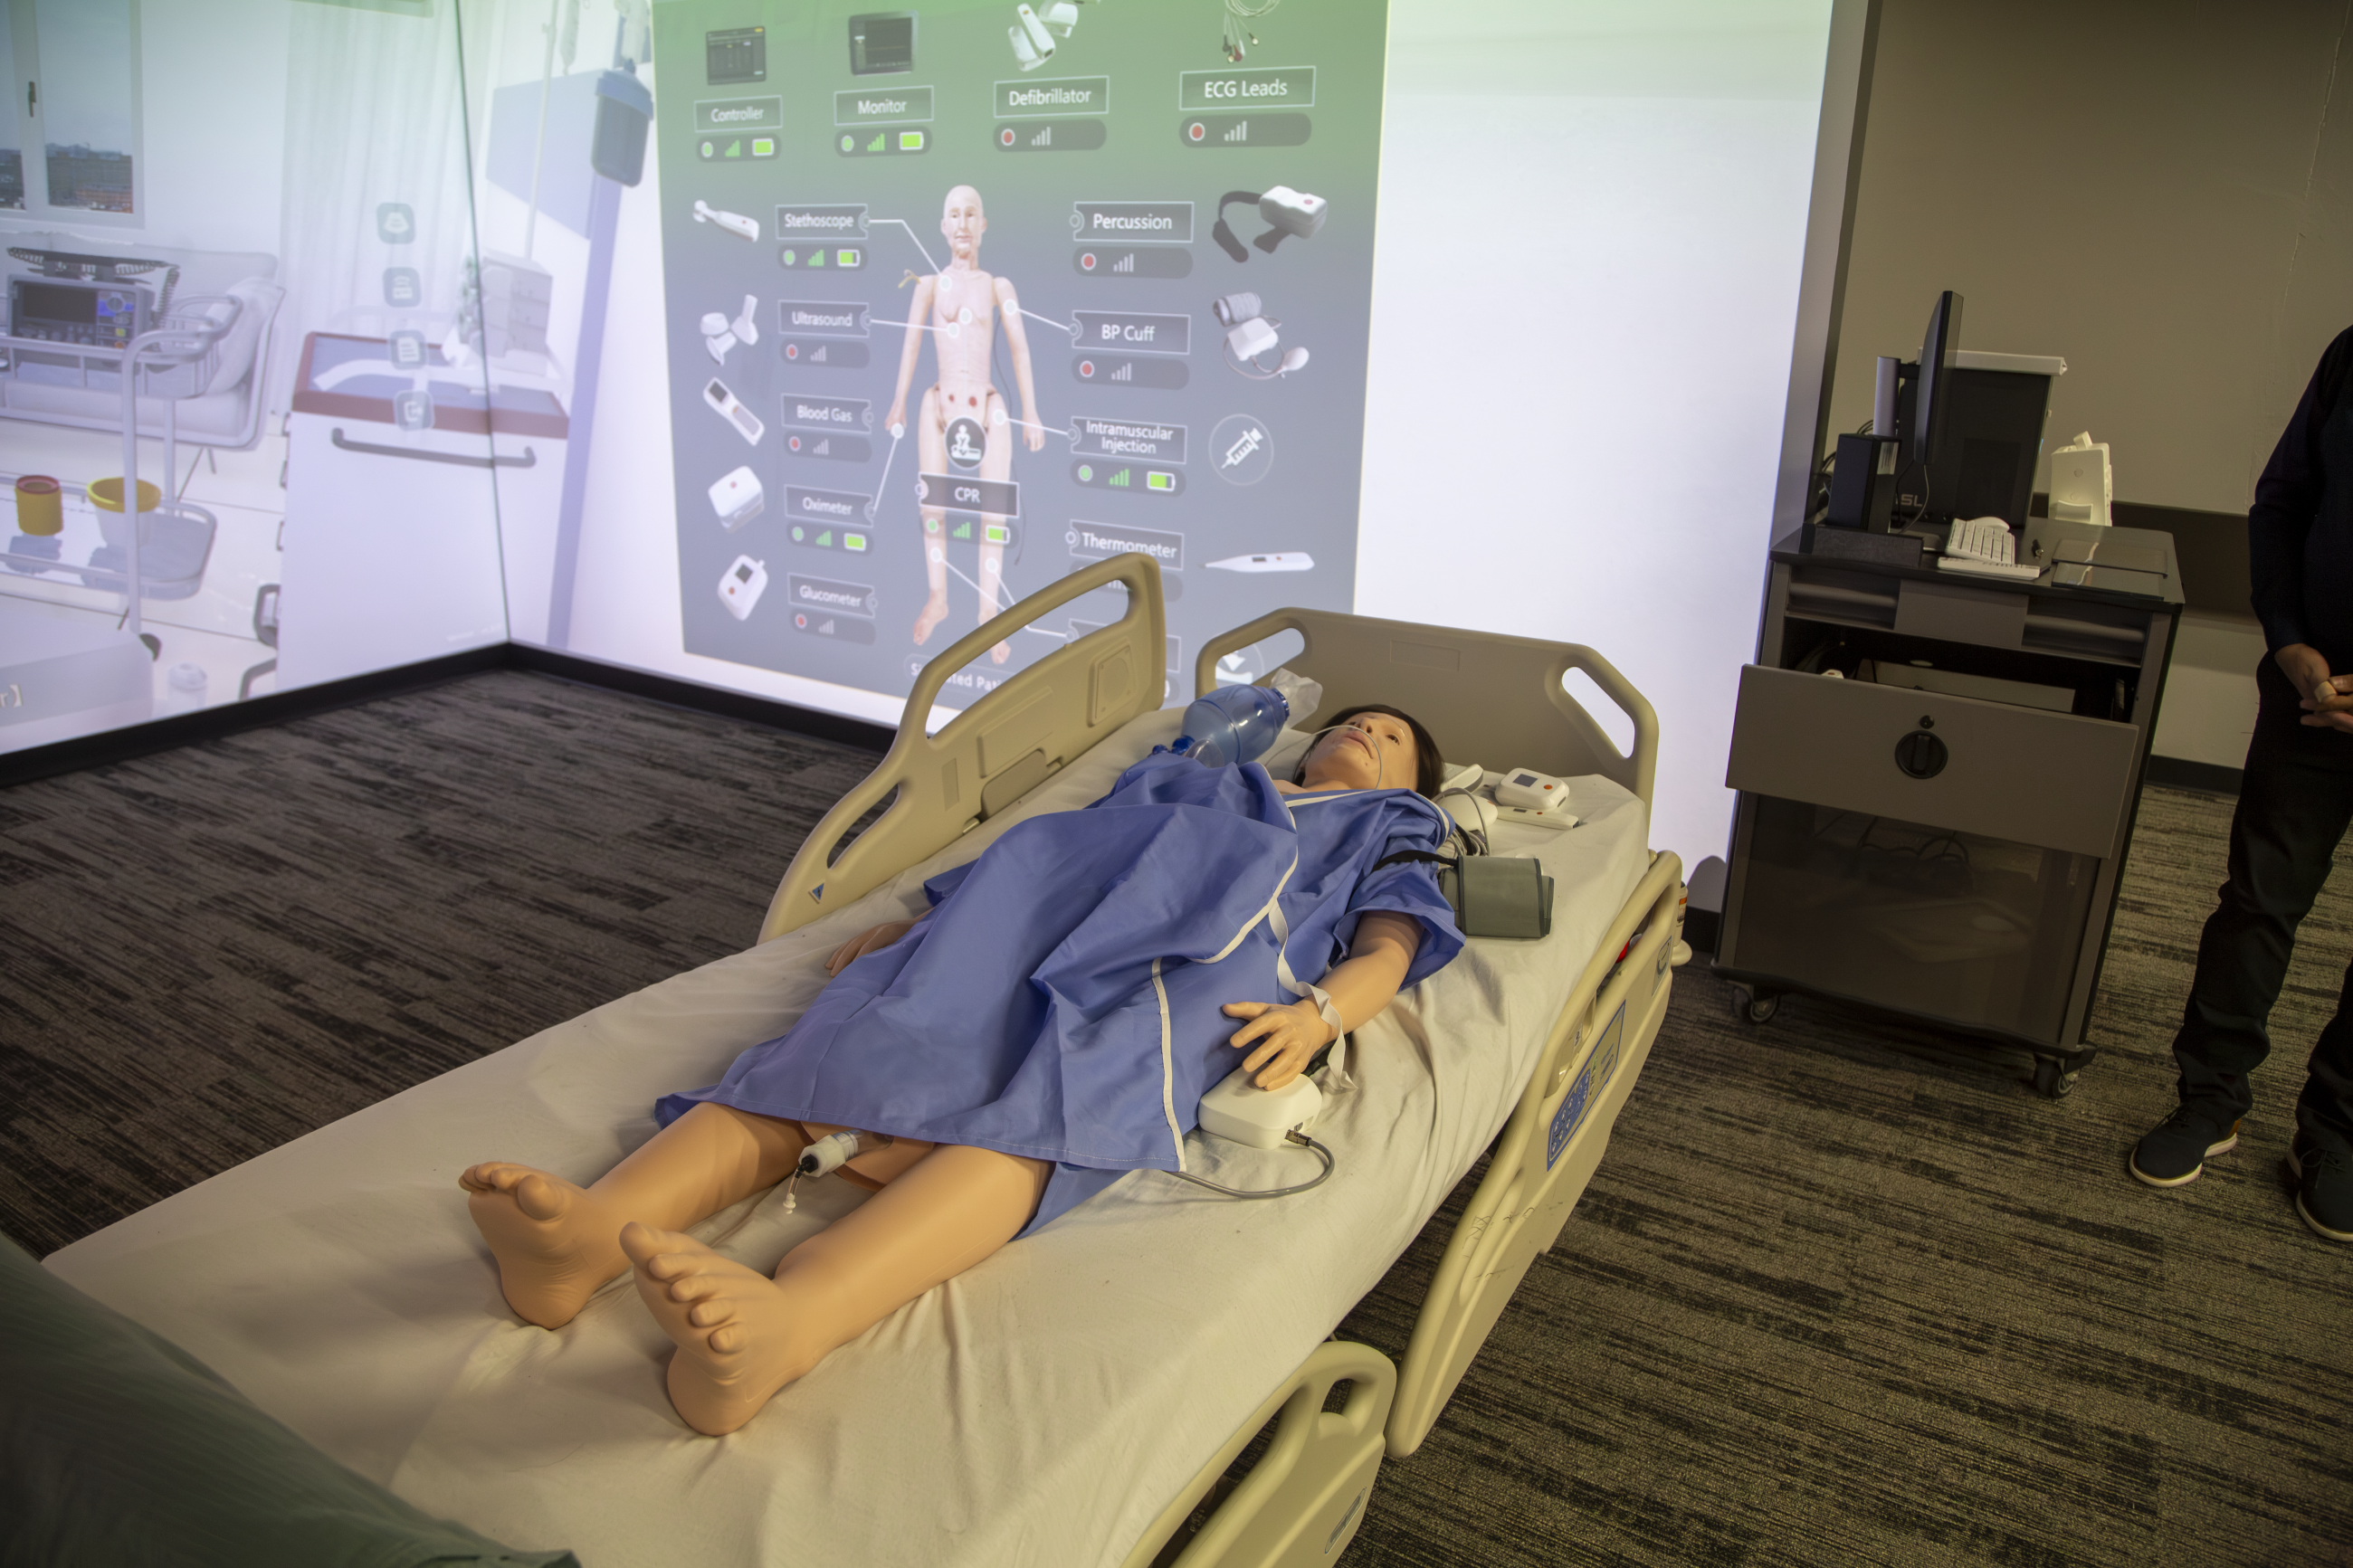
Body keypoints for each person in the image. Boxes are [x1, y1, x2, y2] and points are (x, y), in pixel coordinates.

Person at [460, 706, 1462, 1433]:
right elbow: (1045, 849)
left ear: (1410, 781)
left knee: (1053, 1106)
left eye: (1390, 737)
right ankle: (588, 1235)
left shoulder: (1390, 828)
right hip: (1020, 919)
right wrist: (929, 916)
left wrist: (1316, 1013)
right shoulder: (1191, 767)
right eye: (1355, 718)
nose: (1364, 732)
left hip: (1188, 971)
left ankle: (794, 1319)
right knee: (860, 1034)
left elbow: (1386, 947)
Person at [2130, 325, 2353, 1244]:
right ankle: (2208, 1096)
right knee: (2256, 902)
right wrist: (2287, 639)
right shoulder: (2351, 355)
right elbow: (2281, 502)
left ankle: (2333, 1133)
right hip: (2308, 687)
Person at [885, 185, 1046, 663]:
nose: (961, 222)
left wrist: (1031, 412)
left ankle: (987, 610)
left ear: (982, 225)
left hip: (986, 409)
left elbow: (1020, 348)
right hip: (938, 405)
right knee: (933, 506)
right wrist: (899, 401)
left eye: (970, 213)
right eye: (953, 213)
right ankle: (939, 596)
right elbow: (911, 343)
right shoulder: (927, 286)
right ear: (942, 225)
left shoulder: (999, 287)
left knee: (991, 512)